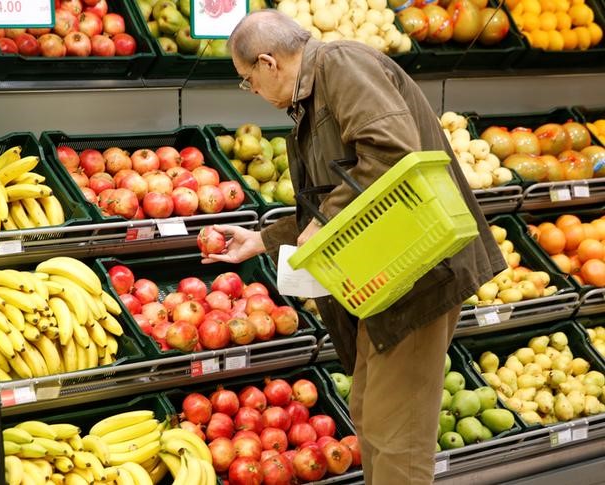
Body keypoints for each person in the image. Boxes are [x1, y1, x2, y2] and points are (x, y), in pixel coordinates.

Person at [202, 9, 507, 485]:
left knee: (395, 431)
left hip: (419, 273)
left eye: (248, 81)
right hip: (386, 275)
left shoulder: (341, 65)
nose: (254, 92)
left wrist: (323, 222)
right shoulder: (313, 96)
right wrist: (262, 239)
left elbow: (391, 150)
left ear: (268, 62)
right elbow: (333, 194)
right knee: (368, 410)